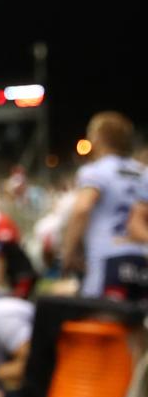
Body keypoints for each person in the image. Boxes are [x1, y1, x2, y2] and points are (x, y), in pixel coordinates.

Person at [60, 112, 148, 301]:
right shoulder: (143, 171)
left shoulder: (96, 171)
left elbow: (82, 209)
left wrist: (69, 252)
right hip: (141, 258)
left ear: (98, 137)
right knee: (135, 325)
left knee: (100, 319)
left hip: (107, 258)